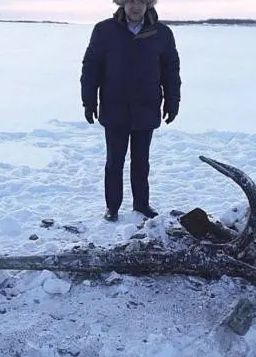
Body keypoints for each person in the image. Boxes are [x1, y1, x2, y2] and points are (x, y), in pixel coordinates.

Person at [81, 0, 181, 222]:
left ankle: (141, 204)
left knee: (141, 161)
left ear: (148, 5)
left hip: (147, 107)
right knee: (114, 162)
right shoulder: (104, 30)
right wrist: (89, 101)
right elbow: (91, 66)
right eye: (131, 1)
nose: (136, 7)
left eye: (141, 2)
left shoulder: (162, 33)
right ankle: (112, 207)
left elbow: (171, 70)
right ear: (123, 3)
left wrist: (172, 101)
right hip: (115, 106)